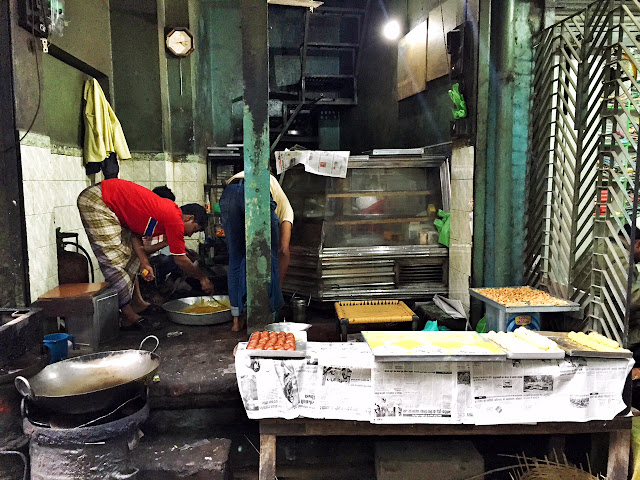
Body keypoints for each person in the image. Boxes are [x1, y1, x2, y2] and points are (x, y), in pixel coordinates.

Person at [77, 178, 214, 330]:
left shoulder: (161, 216)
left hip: (106, 201)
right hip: (98, 200)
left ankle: (135, 304)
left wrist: (145, 262)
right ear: (189, 218)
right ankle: (129, 315)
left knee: (130, 257)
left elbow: (135, 236)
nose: (189, 235)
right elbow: (180, 260)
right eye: (194, 229)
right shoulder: (174, 218)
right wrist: (202, 278)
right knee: (115, 259)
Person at [219, 171, 293, 331]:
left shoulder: (277, 191)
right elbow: (283, 250)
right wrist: (278, 287)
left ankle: (236, 320)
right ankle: (271, 313)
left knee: (236, 257)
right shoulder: (288, 212)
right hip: (256, 189)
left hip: (229, 192)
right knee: (270, 255)